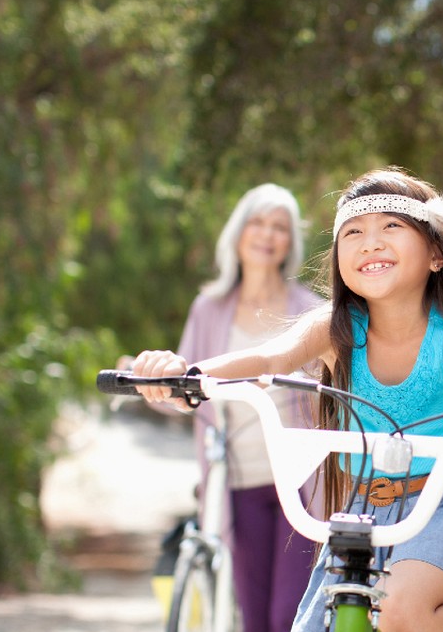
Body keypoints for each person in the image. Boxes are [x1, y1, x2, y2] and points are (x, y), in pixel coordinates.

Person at [129, 167, 443, 632]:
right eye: (353, 232)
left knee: (395, 608)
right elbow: (267, 359)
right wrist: (187, 376)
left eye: (391, 226)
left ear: (436, 254)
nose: (370, 242)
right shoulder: (335, 330)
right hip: (363, 513)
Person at [125, 183, 324, 632]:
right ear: (238, 232)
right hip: (236, 484)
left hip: (301, 485)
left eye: (280, 227)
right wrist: (150, 384)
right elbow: (186, 394)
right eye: (257, 222)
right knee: (253, 619)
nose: (267, 234)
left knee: (288, 617)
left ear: (290, 242)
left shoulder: (311, 312)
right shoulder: (209, 309)